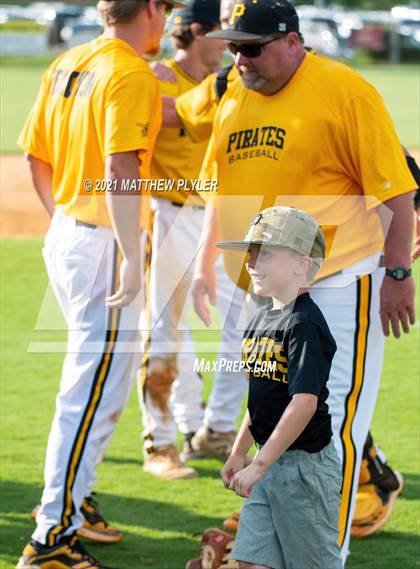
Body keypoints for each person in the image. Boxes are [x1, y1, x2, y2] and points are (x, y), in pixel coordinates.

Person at [191, 0, 416, 563]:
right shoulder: (236, 96)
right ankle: (265, 554)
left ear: (292, 40)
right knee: (271, 416)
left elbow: (395, 191)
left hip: (338, 285)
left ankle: (319, 556)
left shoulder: (345, 92)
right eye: (234, 46)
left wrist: (396, 275)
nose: (240, 58)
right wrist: (201, 265)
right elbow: (220, 186)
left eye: (253, 47)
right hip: (265, 291)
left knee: (325, 430)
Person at [16, 0, 179, 566]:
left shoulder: (69, 60)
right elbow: (121, 169)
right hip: (104, 242)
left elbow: (36, 157)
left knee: (97, 385)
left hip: (70, 232)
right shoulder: (128, 71)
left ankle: (75, 498)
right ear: (152, 9)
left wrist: (68, 221)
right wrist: (130, 255)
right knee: (89, 392)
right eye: (167, 10)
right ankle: (50, 537)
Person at [138, 0, 251, 480]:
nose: (232, 44)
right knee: (167, 332)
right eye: (224, 32)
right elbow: (159, 118)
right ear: (201, 32)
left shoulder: (236, 78)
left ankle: (217, 429)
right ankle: (161, 441)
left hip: (223, 215)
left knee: (242, 327)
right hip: (169, 214)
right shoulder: (156, 78)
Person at [218, 205, 342, 569]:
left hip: (304, 469)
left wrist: (258, 465)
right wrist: (240, 452)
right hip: (267, 459)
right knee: (251, 563)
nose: (253, 262)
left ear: (301, 264)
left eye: (266, 253)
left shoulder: (304, 323)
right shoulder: (260, 318)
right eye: (252, 253)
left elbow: (303, 404)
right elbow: (260, 401)